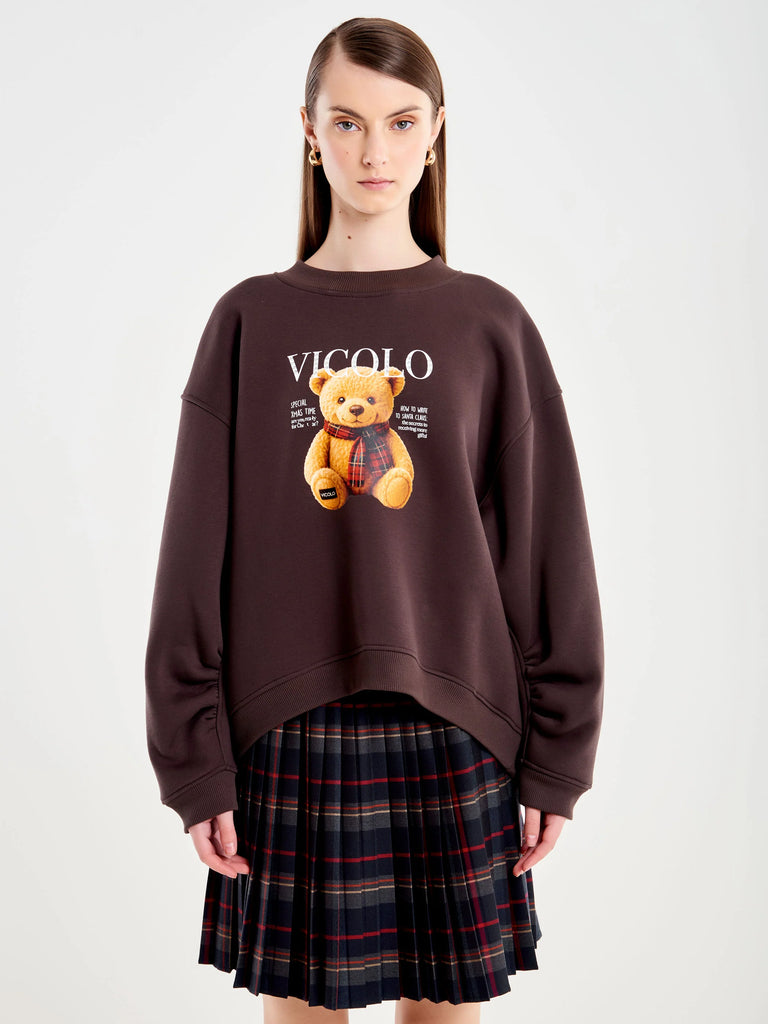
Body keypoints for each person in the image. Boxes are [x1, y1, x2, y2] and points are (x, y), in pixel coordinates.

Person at [144, 15, 604, 1024]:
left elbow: (548, 548)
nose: (374, 151)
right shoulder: (248, 320)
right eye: (347, 122)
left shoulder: (488, 322)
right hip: (285, 722)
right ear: (309, 131)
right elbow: (192, 553)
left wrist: (557, 753)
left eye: (400, 122)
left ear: (436, 131)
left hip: (461, 721)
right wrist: (195, 756)